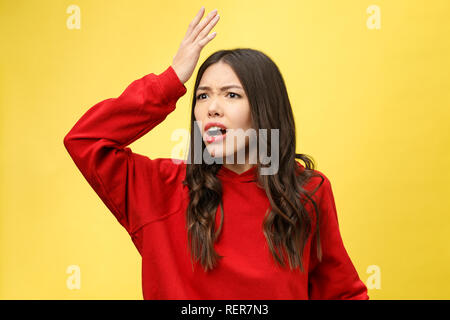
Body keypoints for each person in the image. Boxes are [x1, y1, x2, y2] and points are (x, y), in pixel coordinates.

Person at [63, 6, 369, 300]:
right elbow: (85, 140)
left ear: (264, 110)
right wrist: (171, 80)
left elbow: (342, 293)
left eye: (231, 95)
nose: (212, 108)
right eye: (203, 96)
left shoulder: (308, 192)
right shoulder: (162, 187)